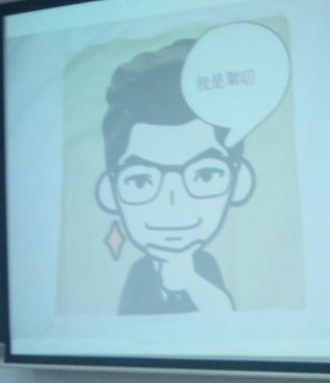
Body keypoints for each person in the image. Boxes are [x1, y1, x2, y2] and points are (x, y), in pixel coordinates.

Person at [94, 39, 256, 314]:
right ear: (110, 191)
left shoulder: (205, 265)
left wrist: (190, 281)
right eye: (141, 181)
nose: (172, 204)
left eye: (205, 176)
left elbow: (224, 315)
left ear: (239, 182)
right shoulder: (140, 272)